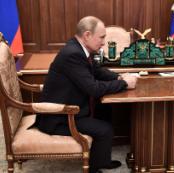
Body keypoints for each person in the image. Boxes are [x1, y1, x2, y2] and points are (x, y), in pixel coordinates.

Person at [32, 16, 137, 173]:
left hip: (73, 105)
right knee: (104, 129)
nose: (103, 42)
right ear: (87, 35)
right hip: (59, 116)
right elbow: (93, 88)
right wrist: (124, 84)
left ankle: (102, 160)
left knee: (106, 110)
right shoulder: (72, 54)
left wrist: (118, 77)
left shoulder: (80, 48)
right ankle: (94, 169)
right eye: (101, 37)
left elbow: (97, 71)